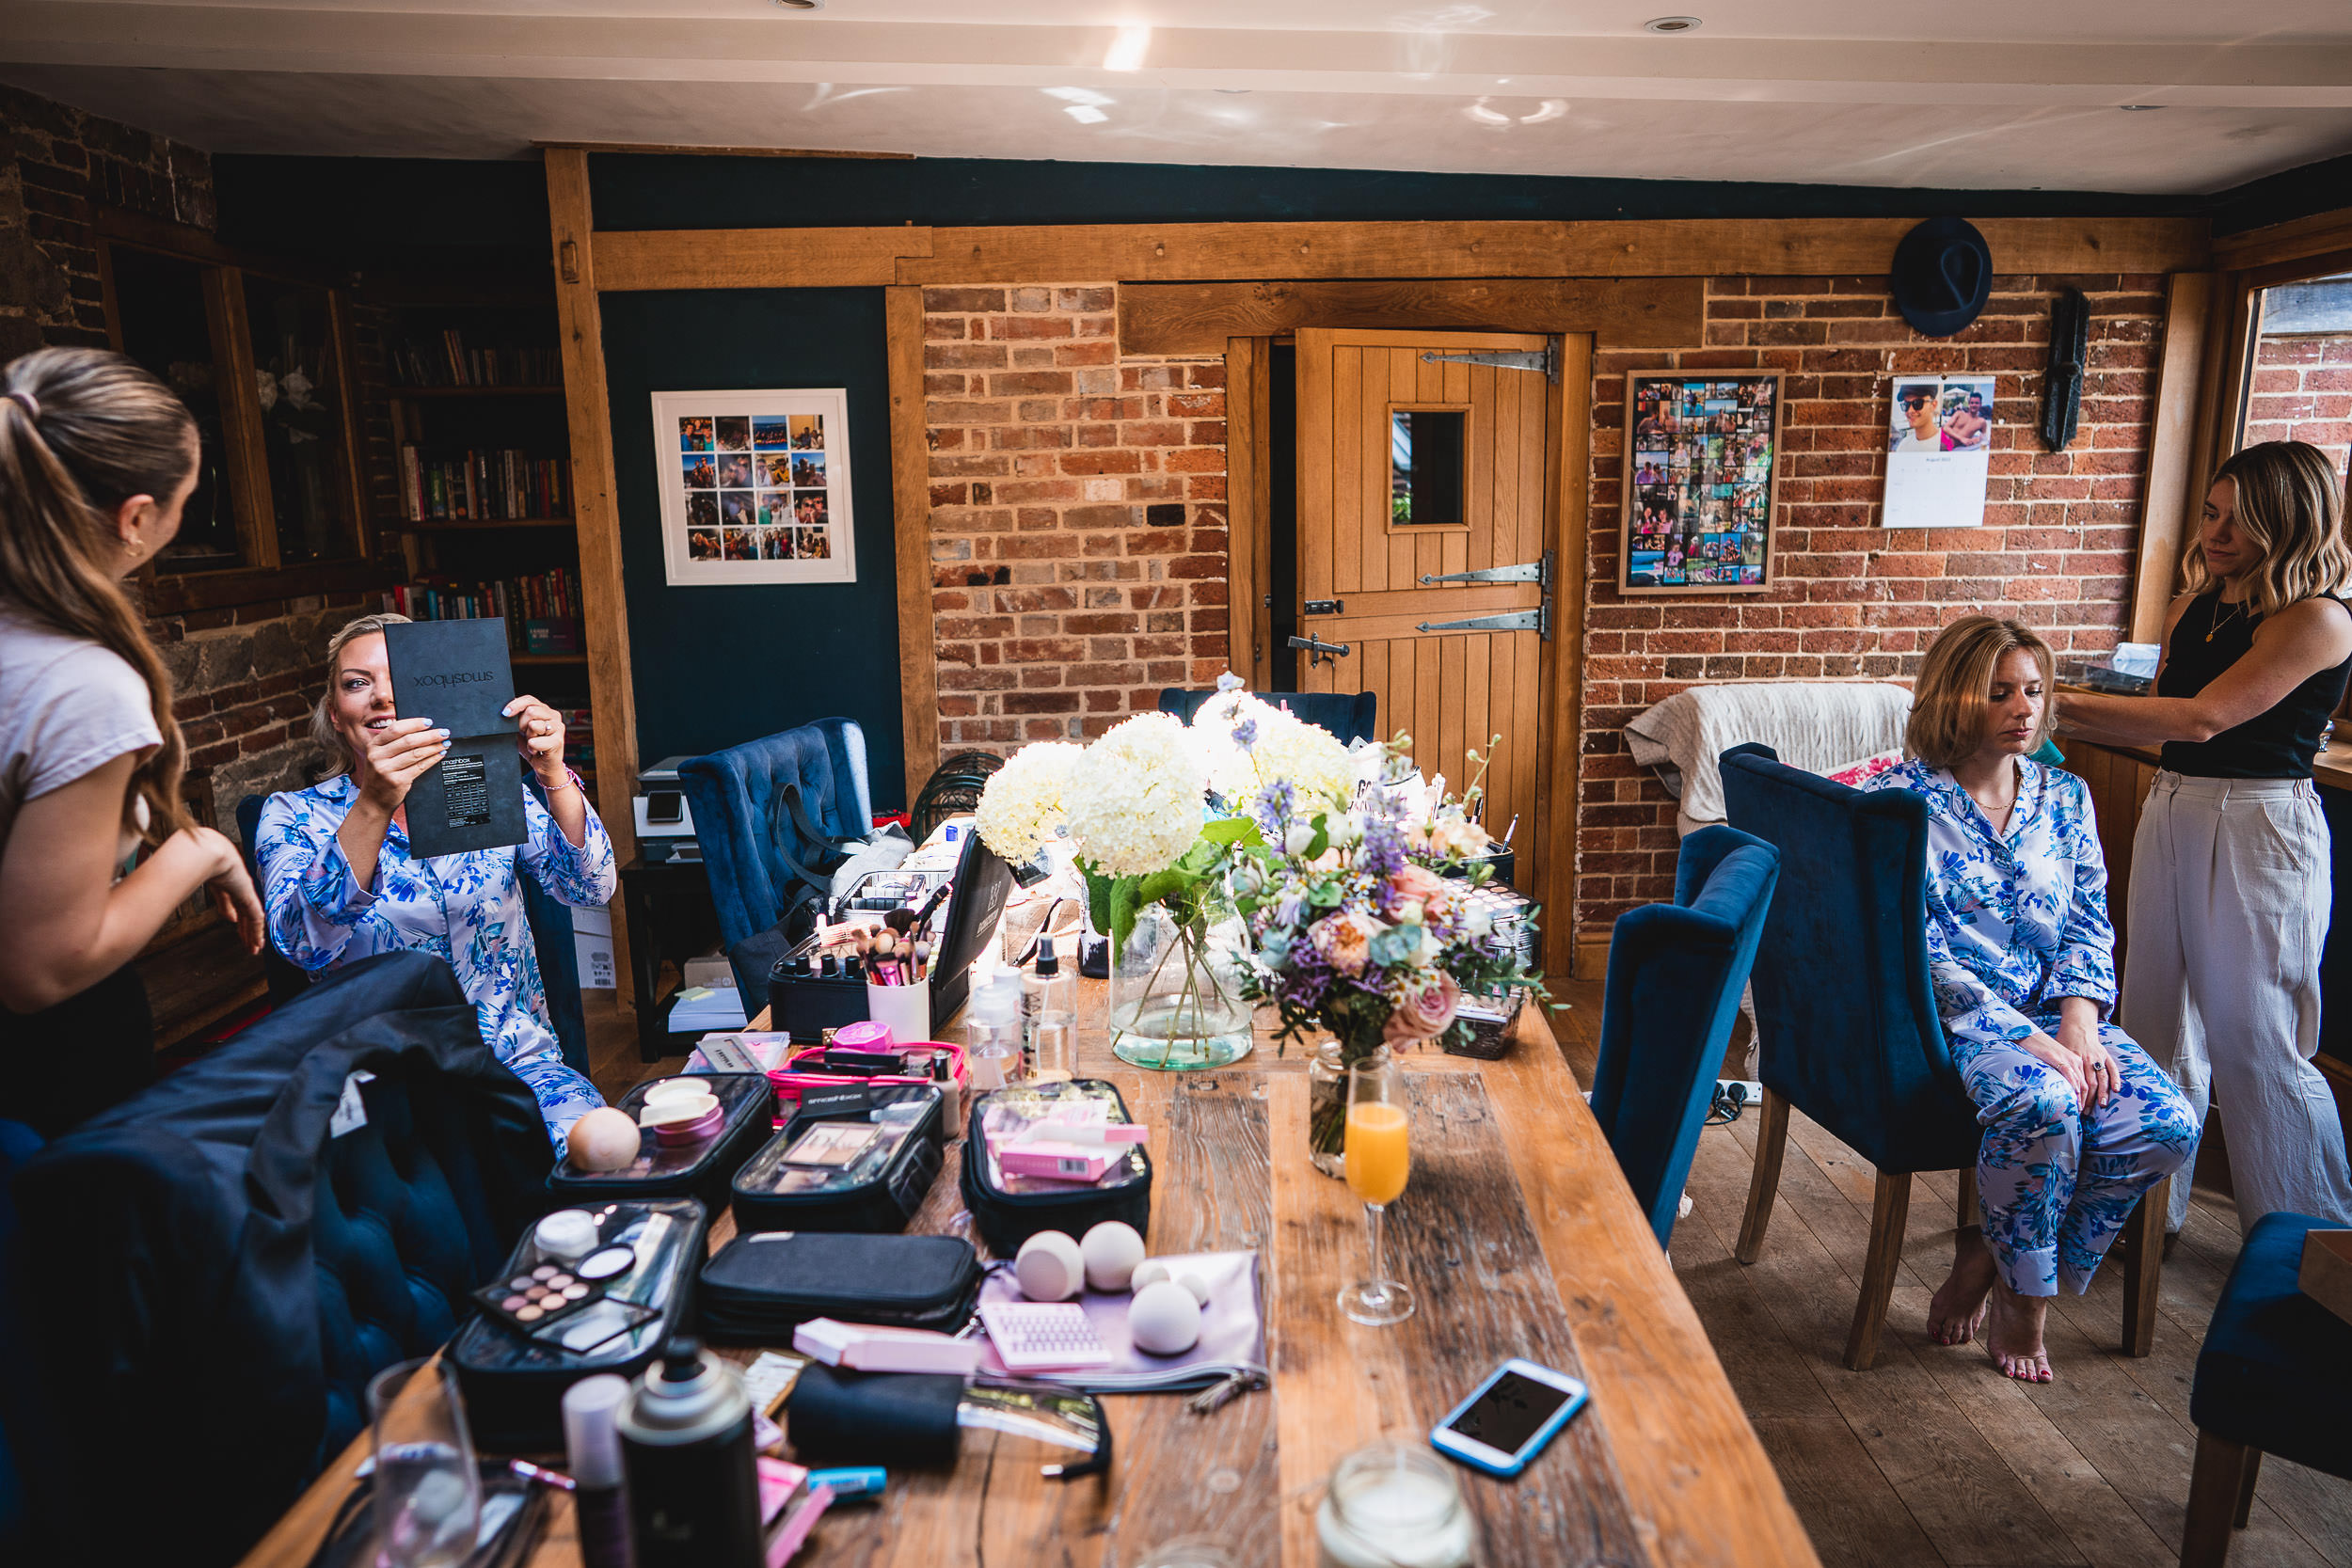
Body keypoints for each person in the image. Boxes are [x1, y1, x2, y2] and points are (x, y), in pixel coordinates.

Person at [1861, 616, 2197, 1382]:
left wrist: (2080, 1020)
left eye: (2035, 691)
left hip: (2059, 1012)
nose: (2025, 707)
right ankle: (2029, 1301)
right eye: (2001, 691)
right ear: (1953, 697)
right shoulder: (1897, 803)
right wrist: (2028, 1040)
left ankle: (1991, 1254)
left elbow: (2088, 916)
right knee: (2046, 1102)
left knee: (2167, 1123)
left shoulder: (2068, 796)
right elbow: (1916, 947)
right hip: (1955, 1021)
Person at [2057, 440, 2352, 1232]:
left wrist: (2051, 703)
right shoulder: (2200, 603)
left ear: (2288, 521)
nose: (2214, 533)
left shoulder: (2320, 618)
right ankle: (2149, 1218)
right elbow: (2165, 716)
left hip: (2261, 825)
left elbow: (2203, 716)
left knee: (2258, 1042)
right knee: (2154, 1021)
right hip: (2175, 803)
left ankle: (2304, 1242)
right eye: (2211, 514)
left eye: (2236, 520)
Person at [0, 348, 265, 1136]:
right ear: (137, 517)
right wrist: (201, 850)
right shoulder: (80, 687)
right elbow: (38, 968)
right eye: (188, 500)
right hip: (39, 1080)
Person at [255, 613, 613, 1148]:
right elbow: (302, 945)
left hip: (517, 1065)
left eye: (401, 679)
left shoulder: (487, 792)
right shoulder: (291, 816)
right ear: (335, 713)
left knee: (604, 1151)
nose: (380, 698)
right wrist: (375, 802)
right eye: (358, 683)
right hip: (381, 1084)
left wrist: (552, 774)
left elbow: (588, 888)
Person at [1892, 385, 1945, 451]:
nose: (1910, 411)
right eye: (1906, 404)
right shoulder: (1903, 446)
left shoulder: (1947, 443)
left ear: (1933, 405)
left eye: (1917, 403)